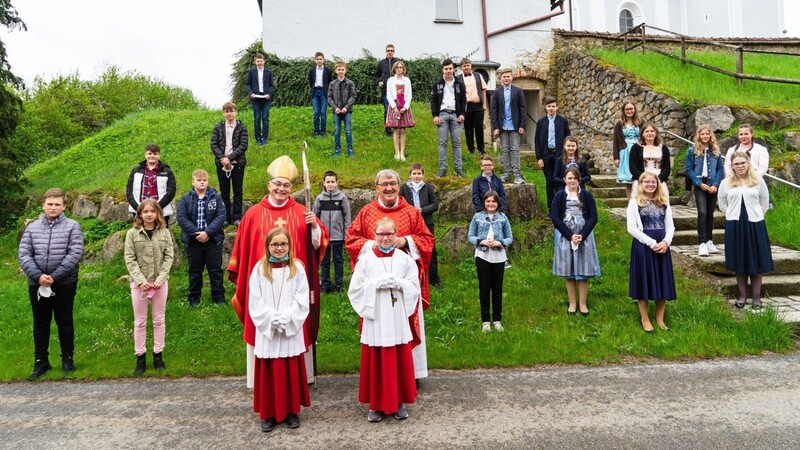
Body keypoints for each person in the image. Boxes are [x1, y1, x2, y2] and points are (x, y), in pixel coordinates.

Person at [227, 155, 328, 388]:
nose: (281, 189)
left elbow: (317, 245)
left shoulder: (303, 212)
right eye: (277, 184)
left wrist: (314, 228)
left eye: (286, 185)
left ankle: (301, 378)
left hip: (293, 287)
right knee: (263, 322)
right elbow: (243, 251)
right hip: (263, 288)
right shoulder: (252, 214)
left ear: (291, 188)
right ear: (269, 185)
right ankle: (261, 380)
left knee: (296, 320)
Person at [346, 169, 435, 384]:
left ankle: (410, 374)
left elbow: (427, 240)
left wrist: (406, 242)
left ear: (399, 185)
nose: (389, 188)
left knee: (406, 324)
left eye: (393, 183)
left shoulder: (412, 212)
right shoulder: (367, 212)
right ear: (376, 187)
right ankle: (379, 375)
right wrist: (372, 244)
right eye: (384, 184)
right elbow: (351, 241)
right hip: (376, 291)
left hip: (403, 287)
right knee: (379, 327)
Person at [348, 217, 420, 423]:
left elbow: (413, 286)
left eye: (389, 234)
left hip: (396, 317)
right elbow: (355, 290)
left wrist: (399, 283)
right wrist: (375, 284)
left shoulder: (404, 259)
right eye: (381, 234)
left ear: (396, 235)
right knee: (376, 360)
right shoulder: (366, 260)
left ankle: (398, 402)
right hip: (376, 319)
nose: (385, 238)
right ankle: (375, 404)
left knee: (397, 359)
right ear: (374, 236)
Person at [19, 188, 84, 381]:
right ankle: (41, 362)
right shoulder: (32, 228)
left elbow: (75, 253)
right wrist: (38, 276)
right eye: (50, 204)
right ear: (43, 205)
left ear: (64, 206)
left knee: (64, 321)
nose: (53, 207)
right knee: (40, 323)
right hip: (37, 283)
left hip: (64, 282)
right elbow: (24, 254)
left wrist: (54, 276)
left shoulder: (73, 226)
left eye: (57, 204)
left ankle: (68, 359)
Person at [249, 228, 311, 431]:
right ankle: (269, 413)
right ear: (267, 246)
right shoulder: (259, 269)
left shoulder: (298, 268)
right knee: (269, 370)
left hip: (289, 327)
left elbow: (302, 299)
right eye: (274, 244)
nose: (279, 248)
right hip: (268, 329)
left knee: (290, 368)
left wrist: (287, 318)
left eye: (283, 244)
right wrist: (271, 319)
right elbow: (255, 301)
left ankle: (292, 411)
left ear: (289, 246)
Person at [124, 199, 175, 373]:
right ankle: (140, 358)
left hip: (160, 283)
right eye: (145, 212)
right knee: (140, 321)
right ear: (139, 214)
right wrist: (140, 281)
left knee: (159, 320)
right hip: (140, 285)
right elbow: (130, 259)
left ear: (158, 213)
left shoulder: (165, 233)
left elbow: (169, 257)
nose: (149, 214)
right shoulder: (132, 233)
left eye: (152, 211)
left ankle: (158, 355)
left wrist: (161, 278)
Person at [718, 151, 773, 311]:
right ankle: (742, 296)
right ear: (732, 166)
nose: (740, 166)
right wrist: (730, 214)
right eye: (737, 164)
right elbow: (722, 203)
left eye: (743, 163)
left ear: (748, 163)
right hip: (735, 224)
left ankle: (756, 297)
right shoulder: (726, 183)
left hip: (755, 224)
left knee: (756, 260)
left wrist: (758, 215)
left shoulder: (758, 181)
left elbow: (764, 201)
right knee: (739, 260)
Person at [627, 172, 676, 332]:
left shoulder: (663, 202)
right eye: (646, 182)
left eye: (653, 182)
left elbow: (670, 226)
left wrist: (666, 242)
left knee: (662, 281)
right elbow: (632, 228)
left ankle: (660, 319)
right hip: (644, 246)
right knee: (644, 281)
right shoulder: (634, 203)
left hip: (662, 247)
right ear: (640, 184)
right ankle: (645, 318)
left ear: (658, 184)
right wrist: (652, 243)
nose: (650, 184)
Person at [550, 168, 600, 316]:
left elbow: (593, 217)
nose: (572, 181)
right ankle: (572, 303)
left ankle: (583, 303)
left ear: (579, 180)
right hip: (566, 236)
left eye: (575, 178)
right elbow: (555, 217)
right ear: (565, 179)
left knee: (583, 271)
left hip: (584, 236)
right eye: (569, 178)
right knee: (569, 271)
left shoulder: (586, 195)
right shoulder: (559, 196)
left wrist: (582, 235)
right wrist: (570, 235)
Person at [176, 169, 227, 307]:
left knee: (215, 270)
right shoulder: (185, 198)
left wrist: (208, 233)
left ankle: (219, 298)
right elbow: (181, 217)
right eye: (199, 180)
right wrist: (197, 233)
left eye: (204, 180)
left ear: (208, 182)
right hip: (193, 241)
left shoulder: (216, 197)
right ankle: (194, 299)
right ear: (193, 182)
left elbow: (221, 216)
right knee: (194, 271)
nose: (202, 182)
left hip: (213, 240)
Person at [468, 191, 513, 332]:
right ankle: (486, 321)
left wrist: (500, 243)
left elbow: (509, 237)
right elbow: (471, 236)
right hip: (482, 256)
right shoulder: (477, 217)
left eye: (493, 201)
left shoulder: (503, 218)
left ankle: (497, 320)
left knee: (497, 289)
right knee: (484, 289)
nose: (491, 204)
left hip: (499, 257)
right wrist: (482, 241)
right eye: (488, 201)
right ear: (484, 203)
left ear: (498, 203)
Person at [399, 164, 442, 289]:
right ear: (410, 175)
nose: (416, 176)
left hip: (426, 222)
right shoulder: (404, 188)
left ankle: (434, 278)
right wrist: (411, 211)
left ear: (423, 175)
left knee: (431, 249)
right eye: (414, 173)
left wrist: (422, 210)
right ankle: (412, 277)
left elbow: (435, 204)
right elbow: (400, 202)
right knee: (410, 249)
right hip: (410, 223)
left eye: (419, 174)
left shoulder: (428, 187)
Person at [685, 125, 724, 257]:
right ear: (699, 136)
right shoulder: (692, 150)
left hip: (712, 183)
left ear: (710, 135)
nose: (705, 136)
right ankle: (701, 243)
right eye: (702, 134)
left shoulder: (716, 151)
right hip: (700, 184)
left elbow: (720, 169)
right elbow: (689, 169)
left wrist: (716, 184)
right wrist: (698, 183)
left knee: (710, 213)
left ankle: (709, 241)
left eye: (707, 134)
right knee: (702, 213)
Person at [312, 170, 351, 293]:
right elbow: (314, 217)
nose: (330, 184)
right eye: (328, 182)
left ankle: (339, 286)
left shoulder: (342, 198)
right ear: (323, 183)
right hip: (324, 237)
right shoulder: (319, 199)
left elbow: (347, 216)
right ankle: (325, 286)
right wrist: (317, 234)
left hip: (338, 236)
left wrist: (346, 234)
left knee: (338, 261)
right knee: (324, 262)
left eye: (332, 182)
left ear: (337, 182)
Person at [210, 101, 248, 226]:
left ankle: (237, 217)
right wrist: (223, 158)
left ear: (235, 112)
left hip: (237, 163)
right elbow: (214, 145)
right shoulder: (218, 127)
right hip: (221, 164)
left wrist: (230, 158)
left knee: (238, 191)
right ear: (223, 113)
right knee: (224, 191)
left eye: (231, 111)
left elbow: (243, 145)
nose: (229, 114)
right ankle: (225, 218)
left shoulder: (242, 127)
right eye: (227, 111)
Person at [430, 58, 467, 178]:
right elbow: (434, 101)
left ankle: (458, 168)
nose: (448, 71)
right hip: (443, 115)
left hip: (456, 115)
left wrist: (462, 114)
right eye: (446, 69)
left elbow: (463, 100)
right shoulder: (437, 84)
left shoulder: (459, 84)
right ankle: (442, 168)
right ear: (443, 70)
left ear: (453, 69)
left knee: (456, 143)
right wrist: (435, 115)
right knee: (442, 143)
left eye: (450, 68)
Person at [490, 68, 527, 184]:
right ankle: (506, 173)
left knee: (515, 149)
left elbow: (523, 109)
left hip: (515, 125)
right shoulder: (497, 92)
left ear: (512, 77)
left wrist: (522, 125)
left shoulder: (518, 91)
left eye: (508, 76)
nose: (506, 79)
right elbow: (494, 110)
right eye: (504, 77)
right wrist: (495, 127)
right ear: (501, 79)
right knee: (505, 150)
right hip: (502, 126)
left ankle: (517, 174)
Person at [534, 97, 571, 210]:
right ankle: (551, 209)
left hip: (560, 156)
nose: (551, 108)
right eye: (549, 106)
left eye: (553, 106)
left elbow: (568, 138)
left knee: (560, 182)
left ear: (557, 107)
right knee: (549, 182)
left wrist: (567, 155)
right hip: (546, 156)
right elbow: (537, 141)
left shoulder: (562, 121)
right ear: (545, 107)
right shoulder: (541, 122)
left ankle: (562, 207)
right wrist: (539, 158)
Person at [126, 143, 177, 224]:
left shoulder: (167, 171)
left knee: (160, 235)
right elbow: (129, 191)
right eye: (150, 153)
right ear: (145, 155)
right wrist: (139, 208)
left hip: (161, 212)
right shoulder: (136, 171)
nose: (152, 156)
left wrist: (157, 207)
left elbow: (171, 191)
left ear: (159, 155)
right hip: (139, 212)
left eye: (155, 154)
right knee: (140, 235)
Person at [629, 122, 671, 195]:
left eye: (652, 131)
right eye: (647, 131)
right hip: (641, 180)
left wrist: (658, 180)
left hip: (659, 180)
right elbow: (633, 167)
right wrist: (644, 180)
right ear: (642, 134)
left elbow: (667, 168)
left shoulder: (663, 148)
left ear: (656, 133)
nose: (650, 133)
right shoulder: (635, 148)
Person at [457, 58, 488, 155]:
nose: (466, 67)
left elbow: (483, 90)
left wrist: (484, 104)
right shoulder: (457, 79)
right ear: (461, 67)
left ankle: (481, 150)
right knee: (468, 128)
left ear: (471, 66)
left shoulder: (478, 75)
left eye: (468, 65)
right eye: (464, 66)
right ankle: (471, 150)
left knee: (479, 127)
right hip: (465, 106)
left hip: (478, 105)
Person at [385, 61, 415, 161]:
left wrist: (405, 107)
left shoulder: (407, 80)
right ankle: (397, 153)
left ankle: (402, 153)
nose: (399, 69)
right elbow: (389, 95)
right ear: (394, 69)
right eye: (397, 67)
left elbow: (409, 95)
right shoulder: (390, 80)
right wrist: (394, 108)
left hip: (404, 105)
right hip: (394, 106)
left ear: (403, 69)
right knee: (396, 129)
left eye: (401, 67)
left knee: (403, 130)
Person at [612, 101, 642, 198]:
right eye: (627, 109)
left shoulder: (641, 122)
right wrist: (616, 157)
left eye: (631, 109)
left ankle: (639, 201)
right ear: (624, 111)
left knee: (639, 178)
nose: (629, 111)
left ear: (634, 109)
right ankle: (631, 202)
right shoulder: (620, 124)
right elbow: (616, 141)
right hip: (625, 152)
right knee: (629, 180)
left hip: (638, 151)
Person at [327, 61, 356, 158]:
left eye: (342, 69)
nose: (341, 71)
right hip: (336, 111)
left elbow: (353, 96)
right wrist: (335, 108)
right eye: (339, 70)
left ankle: (350, 150)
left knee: (348, 130)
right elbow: (329, 97)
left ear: (345, 71)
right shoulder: (332, 84)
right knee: (336, 130)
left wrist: (346, 108)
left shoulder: (350, 83)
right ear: (335, 71)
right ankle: (337, 150)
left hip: (347, 111)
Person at [245, 52, 274, 145]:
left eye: (261, 61)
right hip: (256, 98)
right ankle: (258, 138)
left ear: (264, 61)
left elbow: (271, 85)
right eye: (258, 61)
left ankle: (264, 138)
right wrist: (251, 93)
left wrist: (269, 94)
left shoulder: (269, 72)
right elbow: (248, 84)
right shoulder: (251, 72)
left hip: (265, 98)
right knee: (257, 118)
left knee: (265, 118)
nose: (260, 63)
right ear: (255, 62)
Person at [374, 44, 397, 137]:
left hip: (397, 91)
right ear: (386, 52)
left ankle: (397, 128)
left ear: (394, 52)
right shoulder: (381, 63)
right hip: (386, 91)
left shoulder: (397, 63)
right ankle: (388, 130)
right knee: (387, 109)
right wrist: (379, 82)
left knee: (396, 110)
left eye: (391, 50)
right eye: (388, 50)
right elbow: (376, 76)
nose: (390, 52)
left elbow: (402, 74)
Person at [308, 51, 332, 138]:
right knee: (316, 113)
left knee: (323, 113)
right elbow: (311, 82)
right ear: (315, 60)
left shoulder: (327, 71)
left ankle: (322, 132)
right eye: (317, 59)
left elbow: (330, 82)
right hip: (315, 92)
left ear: (323, 60)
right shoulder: (312, 71)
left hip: (323, 92)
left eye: (320, 59)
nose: (319, 61)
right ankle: (316, 131)